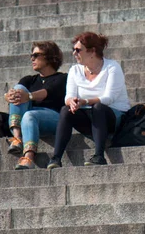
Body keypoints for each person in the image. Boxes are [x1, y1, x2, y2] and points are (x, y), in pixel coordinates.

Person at [47, 32, 130, 168]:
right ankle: (56, 158)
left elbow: (108, 98)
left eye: (78, 50)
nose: (74, 53)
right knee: (66, 110)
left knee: (98, 107)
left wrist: (84, 101)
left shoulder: (112, 67)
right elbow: (68, 97)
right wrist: (72, 102)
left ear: (92, 51)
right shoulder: (75, 70)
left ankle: (99, 155)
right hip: (89, 116)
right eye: (73, 50)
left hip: (114, 116)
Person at [5, 41, 67, 170]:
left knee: (29, 114)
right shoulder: (29, 80)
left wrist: (28, 96)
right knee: (18, 88)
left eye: (36, 55)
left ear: (50, 57)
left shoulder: (62, 78)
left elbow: (47, 92)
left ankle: (29, 156)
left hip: (54, 118)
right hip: (28, 118)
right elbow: (17, 93)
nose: (32, 58)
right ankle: (17, 138)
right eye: (31, 55)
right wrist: (8, 96)